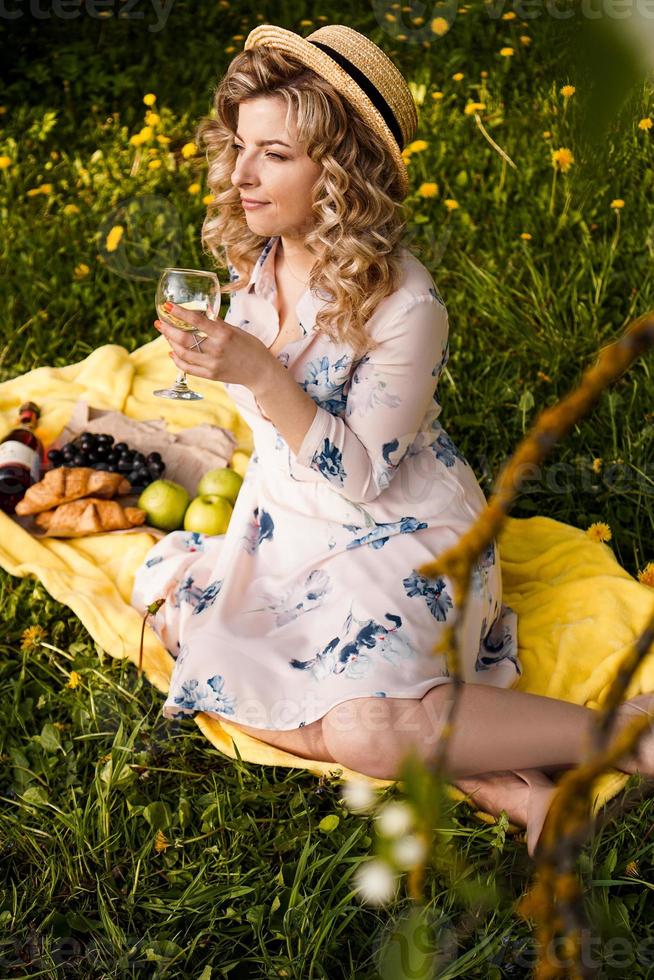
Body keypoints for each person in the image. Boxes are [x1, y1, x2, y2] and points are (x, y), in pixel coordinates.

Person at [131, 24, 654, 856]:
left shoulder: (408, 304)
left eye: (274, 154)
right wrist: (215, 363)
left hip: (401, 532)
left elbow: (364, 477)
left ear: (337, 173)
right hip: (284, 533)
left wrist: (260, 373)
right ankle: (525, 793)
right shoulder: (254, 259)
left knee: (367, 733)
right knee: (192, 645)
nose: (241, 175)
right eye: (240, 146)